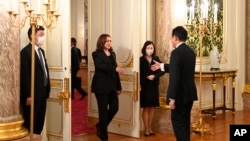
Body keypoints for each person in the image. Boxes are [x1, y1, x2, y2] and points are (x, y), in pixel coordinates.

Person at [151, 26, 198, 141]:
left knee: (178, 123)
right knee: (185, 122)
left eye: (172, 38)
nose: (171, 41)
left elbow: (175, 77)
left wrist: (172, 97)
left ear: (175, 38)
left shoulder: (176, 53)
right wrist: (161, 66)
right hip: (189, 94)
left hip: (179, 96)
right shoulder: (191, 52)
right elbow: (178, 68)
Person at [91, 34, 125, 141]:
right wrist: (115, 69)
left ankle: (100, 126)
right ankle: (104, 138)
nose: (109, 43)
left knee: (115, 108)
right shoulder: (96, 54)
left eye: (110, 41)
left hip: (112, 87)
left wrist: (119, 87)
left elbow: (116, 72)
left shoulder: (113, 54)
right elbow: (100, 66)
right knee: (103, 111)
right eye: (107, 41)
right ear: (102, 42)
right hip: (101, 87)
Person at [20, 25, 51, 134]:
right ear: (32, 35)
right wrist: (28, 95)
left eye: (43, 34)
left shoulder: (41, 51)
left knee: (39, 123)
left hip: (43, 92)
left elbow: (44, 71)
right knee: (31, 124)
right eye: (41, 34)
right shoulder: (25, 52)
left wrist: (47, 89)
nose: (43, 37)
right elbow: (24, 76)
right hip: (32, 95)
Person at [139, 41, 165, 136]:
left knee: (152, 108)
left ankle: (150, 128)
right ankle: (146, 129)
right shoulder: (141, 60)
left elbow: (163, 70)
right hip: (144, 86)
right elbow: (139, 74)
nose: (150, 50)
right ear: (144, 49)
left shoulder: (156, 59)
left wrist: (155, 76)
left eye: (152, 48)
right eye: (148, 48)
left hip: (153, 85)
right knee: (146, 108)